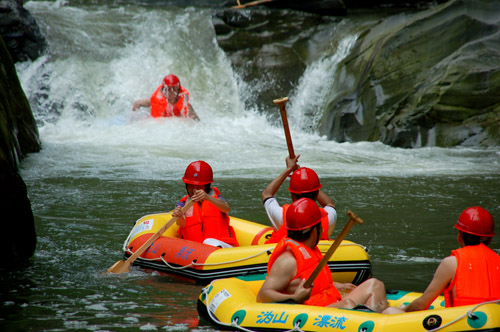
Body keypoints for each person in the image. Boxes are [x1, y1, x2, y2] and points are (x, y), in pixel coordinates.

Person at [257, 198, 399, 314]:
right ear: (315, 231)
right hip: (312, 313)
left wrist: (338, 285)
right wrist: (294, 298)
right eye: (320, 226)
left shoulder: (310, 249)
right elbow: (263, 295)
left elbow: (315, 283)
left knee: (375, 285)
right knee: (348, 305)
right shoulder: (288, 260)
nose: (323, 229)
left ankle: (382, 318)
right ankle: (379, 319)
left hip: (329, 303)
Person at [403, 206, 500, 312]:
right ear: (490, 239)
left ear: (459, 236)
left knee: (391, 312)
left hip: (462, 322)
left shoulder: (451, 263)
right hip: (493, 318)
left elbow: (421, 306)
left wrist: (402, 309)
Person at [262, 155, 336, 243]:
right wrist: (308, 184)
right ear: (316, 193)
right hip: (315, 255)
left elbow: (267, 194)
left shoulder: (282, 217)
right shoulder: (328, 218)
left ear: (292, 195)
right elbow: (329, 204)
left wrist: (288, 169)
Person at [172, 160, 238, 248]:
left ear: (206, 186)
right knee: (207, 243)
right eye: (191, 185)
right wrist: (179, 216)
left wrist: (207, 197)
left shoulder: (215, 198)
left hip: (222, 247)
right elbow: (182, 224)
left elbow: (226, 208)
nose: (194, 189)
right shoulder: (183, 203)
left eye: (199, 186)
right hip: (196, 250)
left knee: (208, 242)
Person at [133, 74, 200, 121]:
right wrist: (134, 118)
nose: (171, 93)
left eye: (174, 89)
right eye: (168, 89)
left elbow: (196, 122)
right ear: (163, 91)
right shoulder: (157, 100)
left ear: (179, 90)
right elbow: (137, 103)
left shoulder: (186, 106)